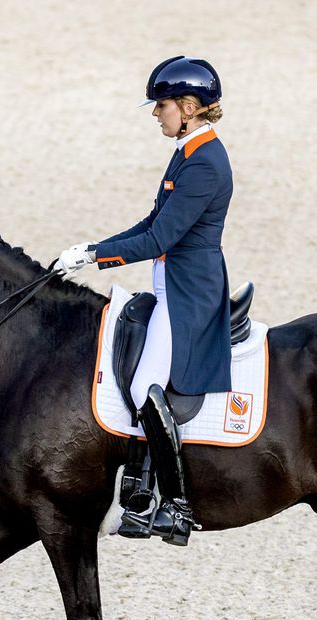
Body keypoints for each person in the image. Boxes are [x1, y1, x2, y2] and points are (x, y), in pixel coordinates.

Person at [56, 56, 233, 547]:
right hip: (169, 285)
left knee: (144, 387)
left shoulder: (205, 163)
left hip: (188, 293)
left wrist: (94, 256)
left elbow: (160, 239)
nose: (156, 114)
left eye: (162, 105)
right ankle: (137, 489)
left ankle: (174, 506)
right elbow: (148, 224)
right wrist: (91, 249)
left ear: (190, 107)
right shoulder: (186, 151)